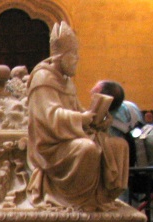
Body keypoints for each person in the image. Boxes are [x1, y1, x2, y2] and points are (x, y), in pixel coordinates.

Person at [26, 22, 128, 211]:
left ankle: (101, 198)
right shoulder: (43, 79)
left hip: (67, 137)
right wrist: (81, 119)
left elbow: (76, 109)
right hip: (51, 145)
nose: (77, 61)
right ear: (61, 57)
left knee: (117, 146)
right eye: (74, 56)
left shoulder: (67, 82)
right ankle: (79, 201)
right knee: (87, 149)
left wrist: (98, 119)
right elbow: (49, 117)